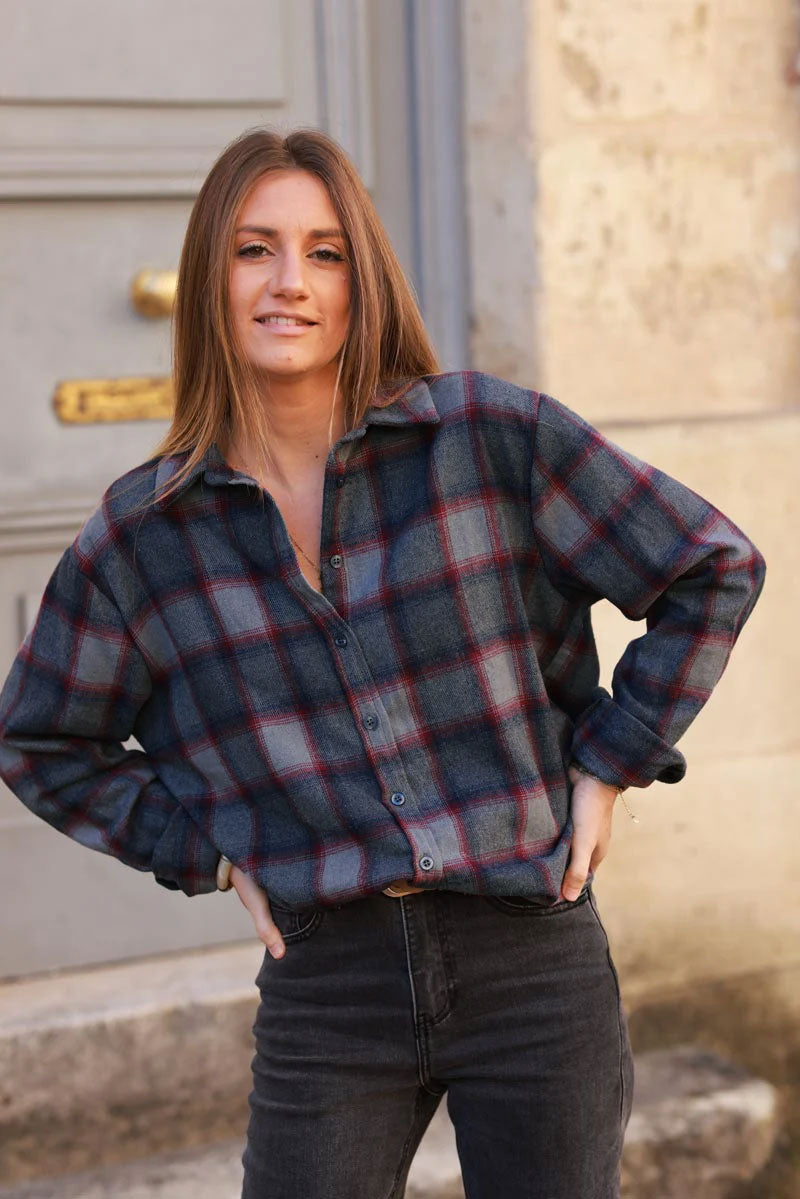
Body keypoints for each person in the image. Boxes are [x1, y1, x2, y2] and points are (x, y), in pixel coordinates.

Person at [0, 126, 766, 1199]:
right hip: (329, 982)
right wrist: (204, 849)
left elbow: (710, 567)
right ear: (208, 277)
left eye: (325, 253)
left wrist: (610, 762)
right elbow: (39, 738)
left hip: (529, 952)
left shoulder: (486, 438)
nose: (289, 281)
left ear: (362, 280)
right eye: (253, 249)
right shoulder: (145, 534)